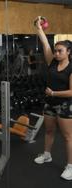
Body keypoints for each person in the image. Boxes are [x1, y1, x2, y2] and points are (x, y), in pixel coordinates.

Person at [33, 16, 72, 180]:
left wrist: (54, 93)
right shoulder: (52, 62)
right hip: (50, 103)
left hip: (65, 104)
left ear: (68, 52)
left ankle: (70, 166)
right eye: (55, 51)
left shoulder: (71, 68)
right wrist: (39, 27)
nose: (56, 53)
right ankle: (47, 154)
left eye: (60, 51)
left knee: (68, 137)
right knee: (48, 131)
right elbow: (45, 44)